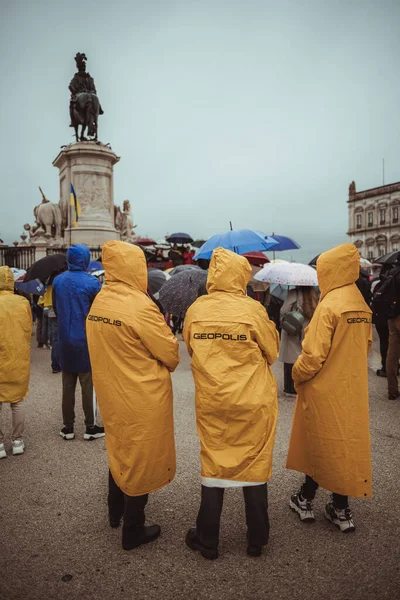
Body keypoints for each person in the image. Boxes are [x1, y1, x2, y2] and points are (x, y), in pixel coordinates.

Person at [183, 248, 279, 559]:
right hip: (252, 398)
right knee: (254, 462)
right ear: (242, 276)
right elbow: (273, 353)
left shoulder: (196, 309)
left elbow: (191, 350)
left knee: (214, 463)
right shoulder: (253, 310)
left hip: (214, 399)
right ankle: (257, 538)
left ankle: (207, 539)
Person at [86, 241, 180, 551]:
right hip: (141, 393)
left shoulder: (101, 301)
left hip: (111, 390)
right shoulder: (139, 306)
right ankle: (133, 528)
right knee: (141, 454)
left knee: (120, 447)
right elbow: (170, 353)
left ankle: (115, 510)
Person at [287, 243, 372, 533]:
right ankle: (340, 507)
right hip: (352, 388)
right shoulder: (360, 303)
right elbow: (366, 346)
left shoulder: (330, 305)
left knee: (317, 443)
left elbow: (312, 356)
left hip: (323, 386)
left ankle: (305, 498)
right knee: (343, 445)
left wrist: (297, 376)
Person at [53, 244, 103, 441]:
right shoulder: (92, 283)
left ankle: (68, 426)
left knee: (67, 386)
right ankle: (90, 426)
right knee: (87, 386)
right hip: (85, 338)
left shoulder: (58, 281)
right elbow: (97, 311)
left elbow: (57, 309)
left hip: (65, 337)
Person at [0, 266, 32, 458]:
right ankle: (17, 440)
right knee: (17, 401)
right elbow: (28, 328)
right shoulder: (22, 302)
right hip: (17, 356)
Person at [279, 286, 318, 397]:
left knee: (290, 357)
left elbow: (284, 310)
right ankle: (302, 384)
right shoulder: (313, 294)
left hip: (293, 328)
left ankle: (290, 388)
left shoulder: (293, 293)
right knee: (302, 356)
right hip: (306, 329)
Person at [43, 276, 61, 373]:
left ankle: (54, 364)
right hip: (56, 309)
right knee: (58, 338)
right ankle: (57, 363)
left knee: (54, 337)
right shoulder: (58, 283)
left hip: (49, 309)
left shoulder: (49, 285)